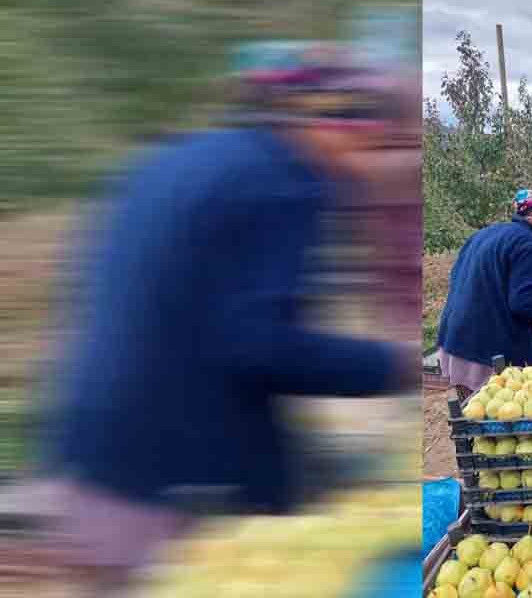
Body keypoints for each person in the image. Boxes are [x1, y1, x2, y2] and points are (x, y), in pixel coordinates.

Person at [37, 42, 423, 596]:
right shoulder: (287, 179)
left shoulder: (174, 159)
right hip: (177, 485)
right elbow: (257, 345)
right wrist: (390, 365)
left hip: (89, 460)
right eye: (369, 129)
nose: (370, 151)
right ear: (330, 121)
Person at [436, 191, 532, 392]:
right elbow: (524, 303)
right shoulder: (531, 244)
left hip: (456, 339)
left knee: (472, 414)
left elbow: (460, 278)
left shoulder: (486, 234)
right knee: (504, 415)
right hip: (489, 351)